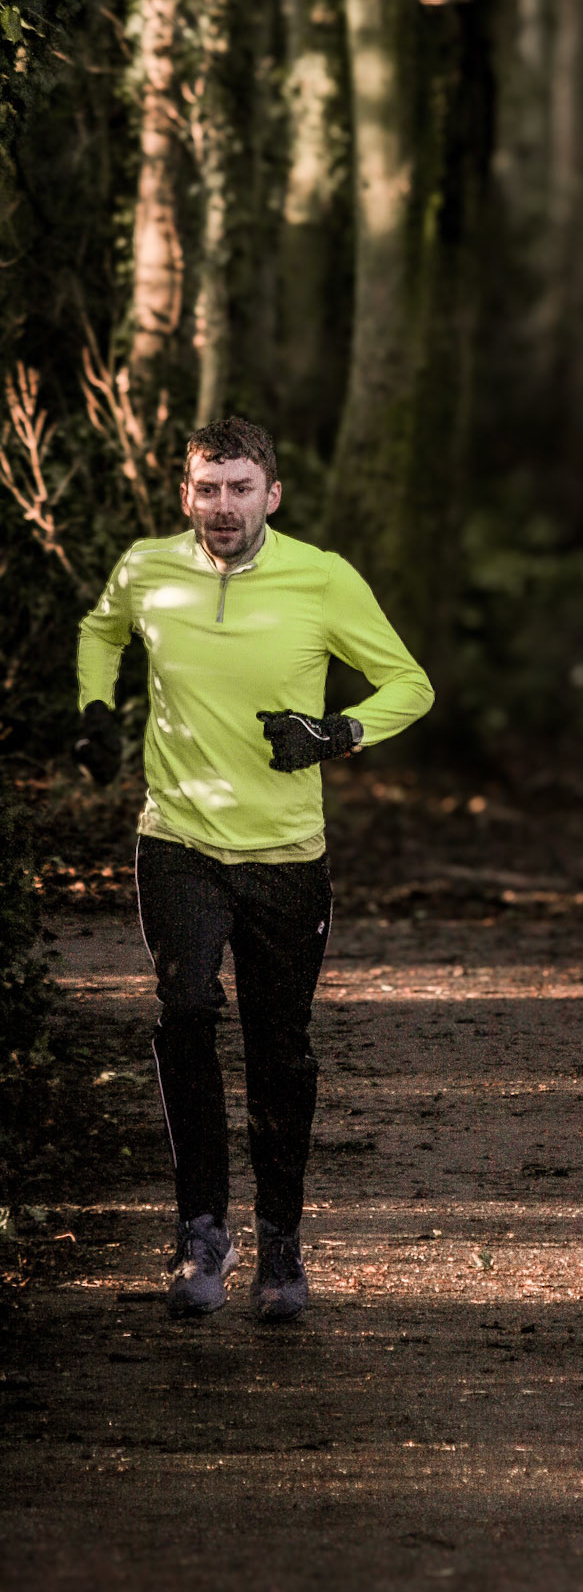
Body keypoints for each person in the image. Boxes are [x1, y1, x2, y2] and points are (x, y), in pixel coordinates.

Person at [75, 417, 434, 1321]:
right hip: (178, 842)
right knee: (186, 1011)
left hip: (286, 857)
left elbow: (410, 685)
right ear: (185, 495)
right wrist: (94, 709)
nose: (223, 506)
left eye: (240, 488)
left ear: (272, 494)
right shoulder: (146, 568)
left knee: (280, 1049)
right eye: (208, 489)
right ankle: (201, 1230)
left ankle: (280, 1241)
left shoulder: (323, 576)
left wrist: (337, 732)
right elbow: (99, 631)